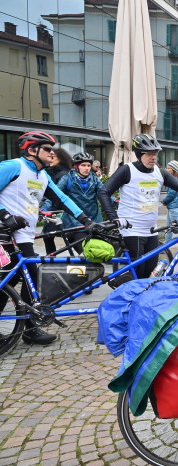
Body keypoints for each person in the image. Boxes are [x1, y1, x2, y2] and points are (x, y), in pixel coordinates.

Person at [0, 131, 100, 344]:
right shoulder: (13, 167)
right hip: (5, 237)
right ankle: (29, 329)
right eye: (47, 149)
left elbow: (62, 199)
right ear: (31, 150)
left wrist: (87, 220)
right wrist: (5, 215)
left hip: (23, 237)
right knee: (19, 280)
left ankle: (28, 328)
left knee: (19, 281)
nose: (51, 153)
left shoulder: (42, 175)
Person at [98, 134, 178, 279]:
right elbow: (104, 192)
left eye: (155, 154)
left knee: (151, 272)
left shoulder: (159, 172)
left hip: (152, 230)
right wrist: (114, 218)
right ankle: (124, 292)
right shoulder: (127, 170)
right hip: (132, 231)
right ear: (139, 154)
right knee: (137, 273)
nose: (154, 157)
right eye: (149, 154)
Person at [54, 152, 104, 253]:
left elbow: (104, 194)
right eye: (83, 165)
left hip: (94, 221)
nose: (87, 168)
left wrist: (116, 201)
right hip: (75, 223)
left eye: (89, 165)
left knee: (98, 253)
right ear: (76, 166)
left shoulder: (94, 179)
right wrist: (44, 209)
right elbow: (55, 194)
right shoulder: (67, 178)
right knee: (86, 253)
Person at [40, 147, 72, 254]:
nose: (51, 159)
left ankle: (51, 259)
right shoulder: (51, 172)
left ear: (61, 159)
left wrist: (45, 207)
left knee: (53, 236)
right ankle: (51, 259)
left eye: (54, 157)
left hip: (58, 210)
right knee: (49, 236)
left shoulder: (63, 174)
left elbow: (57, 194)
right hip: (55, 210)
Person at [161, 160, 178, 243]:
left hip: (174, 206)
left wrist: (164, 201)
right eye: (166, 168)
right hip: (173, 206)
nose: (167, 170)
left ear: (173, 170)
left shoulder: (174, 180)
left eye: (169, 168)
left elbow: (172, 193)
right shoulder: (177, 178)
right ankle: (166, 246)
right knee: (169, 228)